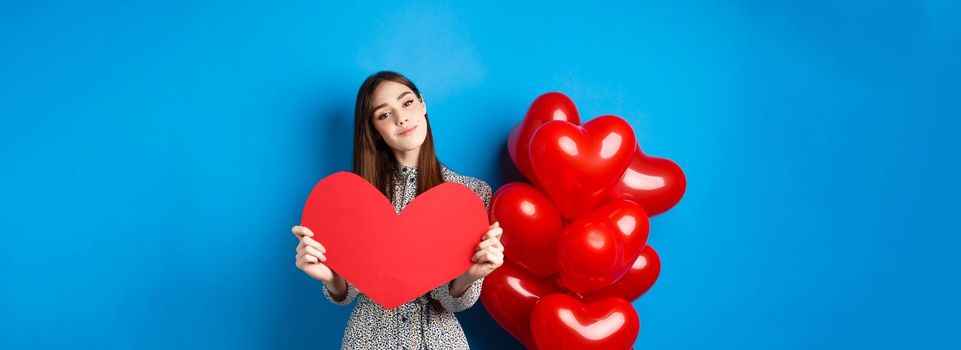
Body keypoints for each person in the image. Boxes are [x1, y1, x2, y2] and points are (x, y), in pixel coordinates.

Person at [291, 70, 505, 349]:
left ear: (423, 104)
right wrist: (330, 277)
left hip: (439, 341)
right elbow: (350, 289)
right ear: (375, 131)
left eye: (406, 103)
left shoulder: (472, 194)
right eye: (383, 115)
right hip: (368, 340)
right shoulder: (352, 198)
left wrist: (472, 275)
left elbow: (452, 300)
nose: (401, 118)